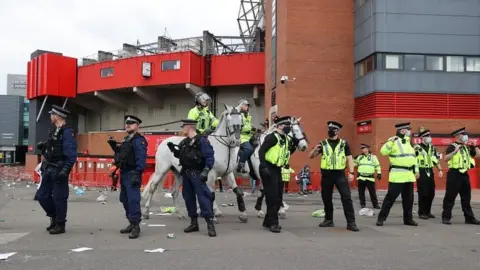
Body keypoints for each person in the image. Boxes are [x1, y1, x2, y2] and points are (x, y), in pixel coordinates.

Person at [167, 119, 217, 237]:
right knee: (188, 198)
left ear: (189, 127)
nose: (182, 129)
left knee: (203, 198)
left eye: (183, 127)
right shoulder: (185, 142)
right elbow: (182, 156)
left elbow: (209, 156)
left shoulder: (202, 141)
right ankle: (194, 223)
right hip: (186, 173)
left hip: (198, 173)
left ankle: (210, 224)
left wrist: (206, 170)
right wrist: (174, 150)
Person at [35, 105, 78, 235]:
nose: (50, 116)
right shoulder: (54, 130)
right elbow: (52, 148)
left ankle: (60, 224)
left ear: (58, 116)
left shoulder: (67, 132)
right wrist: (43, 147)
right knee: (42, 196)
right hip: (48, 168)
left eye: (52, 114)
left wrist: (65, 170)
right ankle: (53, 216)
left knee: (60, 198)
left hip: (59, 169)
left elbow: (71, 154)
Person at [309, 121, 358, 231]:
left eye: (332, 129)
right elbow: (311, 156)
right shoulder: (323, 143)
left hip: (340, 174)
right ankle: (328, 220)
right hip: (326, 175)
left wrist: (351, 172)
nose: (330, 131)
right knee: (326, 198)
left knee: (346, 198)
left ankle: (351, 222)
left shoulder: (344, 144)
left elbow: (349, 158)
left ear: (337, 131)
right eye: (329, 129)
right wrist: (314, 150)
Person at [107, 115, 147, 239]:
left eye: (131, 123)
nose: (128, 125)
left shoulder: (139, 140)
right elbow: (121, 156)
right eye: (126, 123)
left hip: (132, 173)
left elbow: (141, 158)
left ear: (137, 126)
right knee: (124, 199)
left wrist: (138, 173)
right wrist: (115, 147)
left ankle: (136, 226)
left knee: (133, 200)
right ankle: (131, 222)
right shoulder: (126, 140)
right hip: (124, 173)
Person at [258, 116, 297, 233]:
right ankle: (273, 223)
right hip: (268, 168)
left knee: (278, 196)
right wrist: (264, 166)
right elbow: (261, 151)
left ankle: (267, 221)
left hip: (277, 169)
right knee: (272, 196)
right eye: (287, 125)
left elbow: (289, 151)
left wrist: (295, 144)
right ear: (280, 126)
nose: (289, 128)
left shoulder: (285, 139)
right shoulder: (272, 137)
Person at [376, 122, 418, 227]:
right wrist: (391, 142)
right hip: (397, 176)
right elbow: (383, 151)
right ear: (402, 130)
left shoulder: (409, 143)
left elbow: (413, 158)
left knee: (409, 200)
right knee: (390, 198)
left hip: (409, 175)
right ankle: (381, 218)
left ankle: (408, 219)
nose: (409, 131)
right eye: (408, 129)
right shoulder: (393, 140)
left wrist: (416, 170)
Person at [442, 127, 480, 225]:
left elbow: (478, 156)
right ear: (458, 136)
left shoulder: (467, 147)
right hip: (454, 174)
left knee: (466, 197)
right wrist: (454, 152)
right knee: (450, 197)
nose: (466, 136)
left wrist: (475, 146)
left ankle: (469, 218)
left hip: (464, 175)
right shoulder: (452, 146)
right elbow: (445, 159)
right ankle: (446, 217)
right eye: (463, 134)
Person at [414, 130, 443, 219]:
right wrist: (416, 171)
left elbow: (435, 159)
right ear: (422, 138)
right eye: (427, 136)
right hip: (421, 171)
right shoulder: (416, 148)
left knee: (431, 193)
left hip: (430, 171)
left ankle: (428, 211)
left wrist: (440, 169)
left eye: (430, 136)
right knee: (423, 193)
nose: (429, 138)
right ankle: (422, 212)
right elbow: (413, 160)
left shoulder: (432, 147)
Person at [354, 144, 381, 209]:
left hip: (370, 178)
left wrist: (379, 173)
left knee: (372, 193)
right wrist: (354, 159)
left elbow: (377, 165)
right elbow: (354, 165)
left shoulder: (373, 157)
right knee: (361, 192)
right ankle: (363, 204)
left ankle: (375, 205)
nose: (363, 150)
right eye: (362, 149)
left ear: (368, 149)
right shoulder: (360, 157)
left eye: (364, 148)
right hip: (361, 177)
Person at [237, 99, 255, 173]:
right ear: (241, 106)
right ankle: (240, 165)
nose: (246, 107)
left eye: (247, 105)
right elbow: (239, 127)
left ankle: (250, 166)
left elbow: (248, 126)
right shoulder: (238, 115)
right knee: (248, 149)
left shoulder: (248, 115)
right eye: (245, 105)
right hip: (241, 137)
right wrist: (249, 129)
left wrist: (253, 130)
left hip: (249, 137)